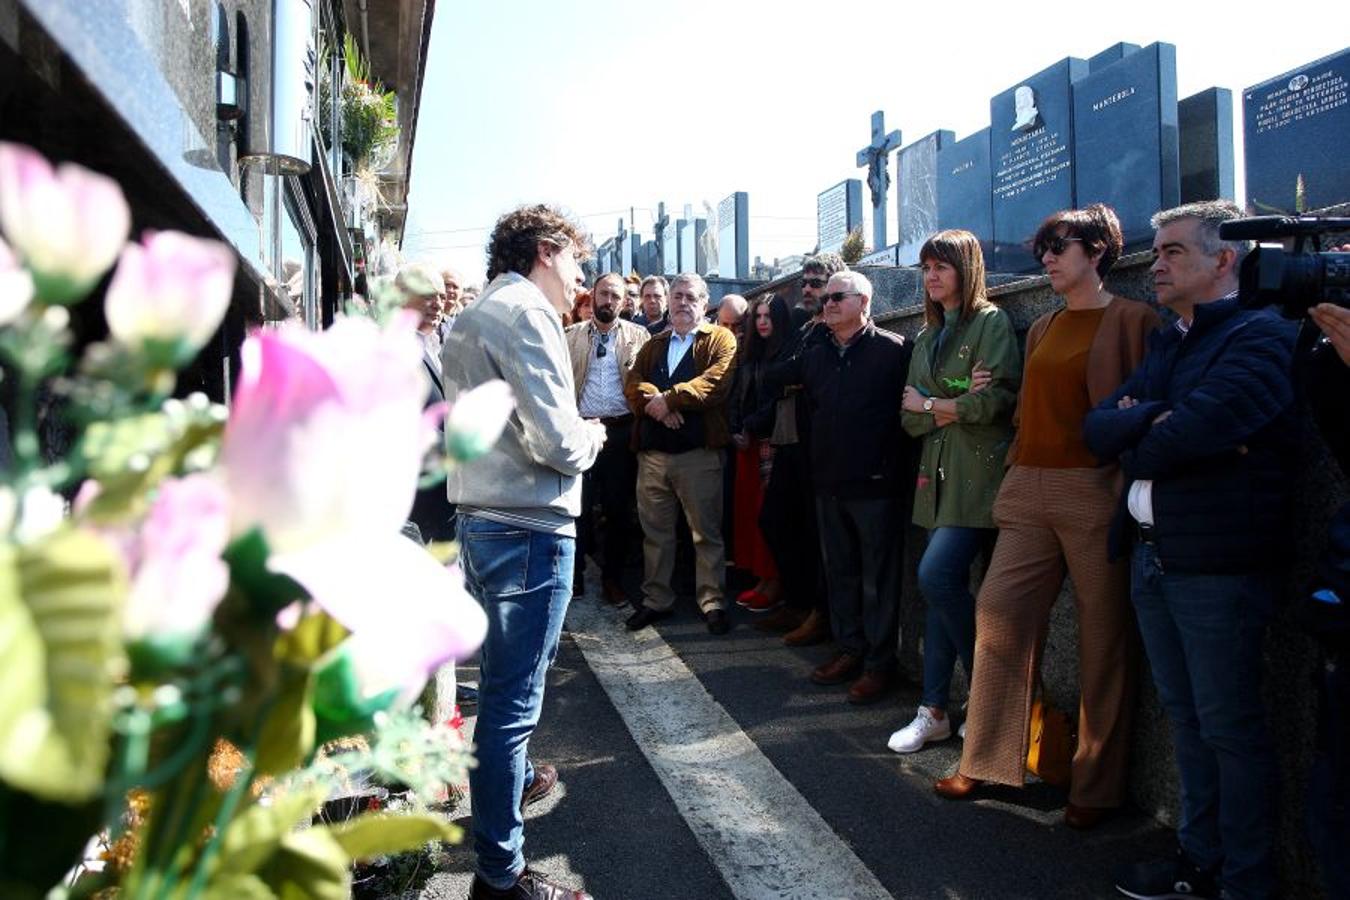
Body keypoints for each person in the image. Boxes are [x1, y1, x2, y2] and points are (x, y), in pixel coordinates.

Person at [1082, 201, 1298, 900]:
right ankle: (1198, 858)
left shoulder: (1260, 335)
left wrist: (1140, 426)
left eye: (1172, 250)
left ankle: (1243, 878)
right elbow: (1096, 428)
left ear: (1224, 259)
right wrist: (1150, 418)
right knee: (1188, 718)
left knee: (1230, 728)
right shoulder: (1172, 340)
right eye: (1157, 248)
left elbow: (1195, 430)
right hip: (1154, 554)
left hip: (1216, 566)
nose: (1158, 263)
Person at [936, 204, 1159, 831]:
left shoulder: (1133, 319)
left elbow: (1138, 410)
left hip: (1092, 487)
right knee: (998, 615)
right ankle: (985, 759)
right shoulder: (1042, 327)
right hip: (1029, 485)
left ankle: (1097, 784)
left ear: (1098, 250)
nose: (1047, 257)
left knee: (1104, 636)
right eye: (1043, 248)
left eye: (1059, 245)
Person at [441, 204, 605, 900]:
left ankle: (496, 860)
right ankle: (501, 877)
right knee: (513, 708)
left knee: (503, 704)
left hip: (483, 517)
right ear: (546, 251)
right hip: (529, 527)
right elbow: (559, 441)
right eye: (576, 262)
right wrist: (593, 435)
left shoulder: (473, 315)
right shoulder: (528, 313)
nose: (581, 279)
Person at [887, 230, 1019, 752]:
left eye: (942, 266)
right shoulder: (926, 335)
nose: (932, 276)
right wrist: (949, 399)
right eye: (925, 268)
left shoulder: (991, 322)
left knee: (937, 575)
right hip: (936, 476)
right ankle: (934, 709)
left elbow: (995, 405)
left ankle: (992, 690)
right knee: (938, 592)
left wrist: (933, 401)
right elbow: (908, 416)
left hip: (977, 477)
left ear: (967, 268)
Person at [770, 270, 916, 704]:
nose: (826, 304)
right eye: (824, 299)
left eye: (837, 297)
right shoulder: (817, 354)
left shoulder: (894, 351)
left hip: (876, 487)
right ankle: (849, 649)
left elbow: (907, 421)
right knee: (841, 573)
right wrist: (810, 336)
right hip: (828, 483)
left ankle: (878, 664)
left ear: (864, 302)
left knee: (879, 580)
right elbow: (770, 375)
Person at [623, 273, 738, 635]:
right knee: (655, 534)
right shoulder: (654, 343)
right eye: (677, 296)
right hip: (653, 457)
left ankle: (713, 601)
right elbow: (632, 382)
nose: (682, 303)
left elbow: (715, 383)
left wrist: (668, 399)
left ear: (705, 304)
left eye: (691, 297)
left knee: (705, 533)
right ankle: (656, 600)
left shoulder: (720, 338)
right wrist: (655, 403)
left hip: (698, 456)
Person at [755, 253, 844, 644]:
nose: (808, 289)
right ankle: (798, 601)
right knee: (774, 520)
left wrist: (793, 376)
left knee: (816, 532)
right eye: (805, 282)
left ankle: (819, 613)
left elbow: (796, 373)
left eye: (817, 282)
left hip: (817, 442)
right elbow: (776, 374)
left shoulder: (831, 329)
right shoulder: (805, 326)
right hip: (790, 437)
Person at [565, 273, 650, 605]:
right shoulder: (569, 336)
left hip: (620, 433)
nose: (608, 301)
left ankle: (612, 579)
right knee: (579, 509)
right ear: (593, 295)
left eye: (616, 296)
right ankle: (573, 578)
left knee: (617, 511)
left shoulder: (638, 336)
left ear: (624, 302)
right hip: (582, 430)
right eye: (603, 295)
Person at [729, 295, 791, 612]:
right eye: (759, 316)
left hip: (770, 441)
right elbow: (738, 396)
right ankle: (761, 579)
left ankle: (773, 580)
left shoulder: (785, 352)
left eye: (769, 316)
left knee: (767, 514)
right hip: (748, 442)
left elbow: (777, 400)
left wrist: (749, 426)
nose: (763, 321)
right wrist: (737, 428)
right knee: (749, 514)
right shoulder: (750, 354)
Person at [396, 263, 457, 543]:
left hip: (438, 499)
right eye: (428, 295)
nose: (438, 304)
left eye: (442, 297)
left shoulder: (431, 345)